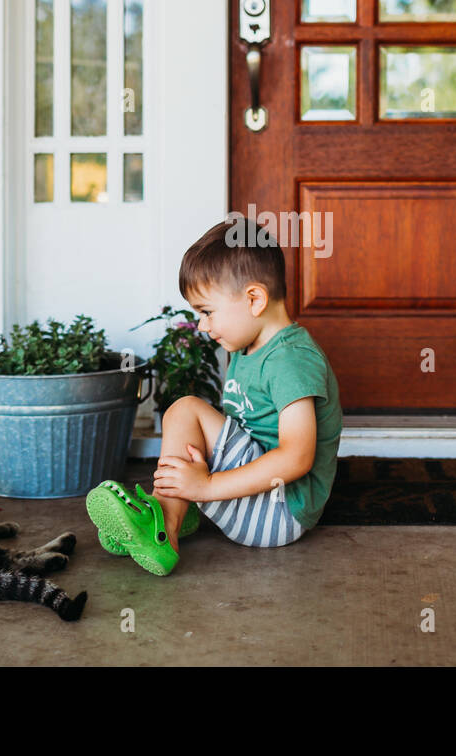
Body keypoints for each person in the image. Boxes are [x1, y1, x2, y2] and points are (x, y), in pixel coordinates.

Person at [86, 216, 343, 575]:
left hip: (280, 511)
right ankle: (173, 512)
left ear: (254, 299)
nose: (203, 326)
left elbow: (297, 458)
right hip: (256, 501)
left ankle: (164, 528)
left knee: (185, 410)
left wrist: (206, 485)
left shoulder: (290, 360)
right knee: (187, 415)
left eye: (207, 312)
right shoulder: (248, 346)